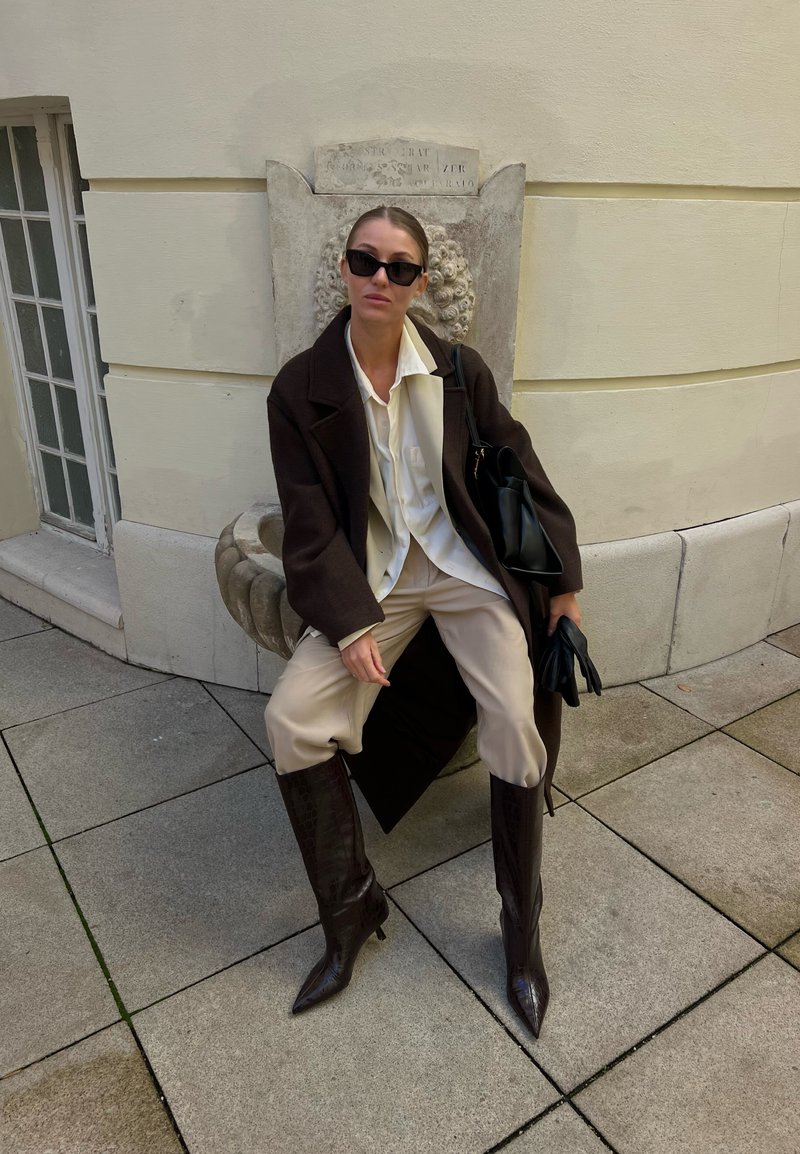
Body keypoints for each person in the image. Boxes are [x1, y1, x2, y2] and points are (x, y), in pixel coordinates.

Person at [265, 205, 583, 1039]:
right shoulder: (299, 387)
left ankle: (521, 936)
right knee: (292, 720)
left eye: (399, 267)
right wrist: (347, 623)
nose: (381, 278)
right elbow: (307, 522)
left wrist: (563, 585)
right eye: (366, 260)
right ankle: (350, 912)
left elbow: (520, 466)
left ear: (419, 283)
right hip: (376, 581)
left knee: (513, 719)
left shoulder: (456, 370)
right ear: (344, 268)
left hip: (463, 570)